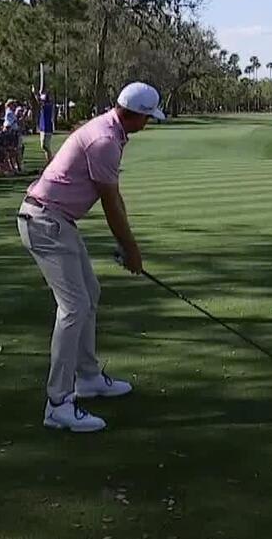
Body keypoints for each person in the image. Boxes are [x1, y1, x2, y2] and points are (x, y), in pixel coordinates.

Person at [17, 81, 165, 433]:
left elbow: (115, 198)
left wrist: (128, 245)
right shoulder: (104, 141)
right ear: (133, 115)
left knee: (89, 294)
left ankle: (87, 377)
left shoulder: (112, 133)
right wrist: (132, 251)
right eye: (147, 118)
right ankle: (58, 404)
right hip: (45, 222)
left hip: (57, 221)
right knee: (74, 307)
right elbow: (110, 205)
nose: (148, 124)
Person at [37, 91, 58, 164]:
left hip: (47, 128)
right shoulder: (45, 105)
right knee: (43, 146)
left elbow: (39, 101)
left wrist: (35, 93)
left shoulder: (48, 106)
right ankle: (48, 160)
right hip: (42, 128)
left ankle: (50, 160)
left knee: (45, 146)